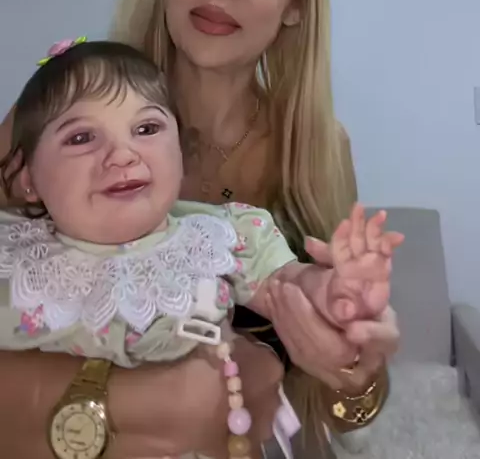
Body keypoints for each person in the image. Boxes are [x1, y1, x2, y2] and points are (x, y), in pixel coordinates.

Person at [0, 0, 400, 458]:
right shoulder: (57, 118)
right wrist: (152, 401)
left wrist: (354, 369)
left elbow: (342, 412)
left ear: (296, 1)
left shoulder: (321, 148)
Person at [0, 38, 402, 459]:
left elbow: (288, 286)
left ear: (181, 153)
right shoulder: (15, 255)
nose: (121, 155)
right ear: (26, 179)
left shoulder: (217, 235)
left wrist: (336, 294)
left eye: (146, 129)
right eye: (82, 137)